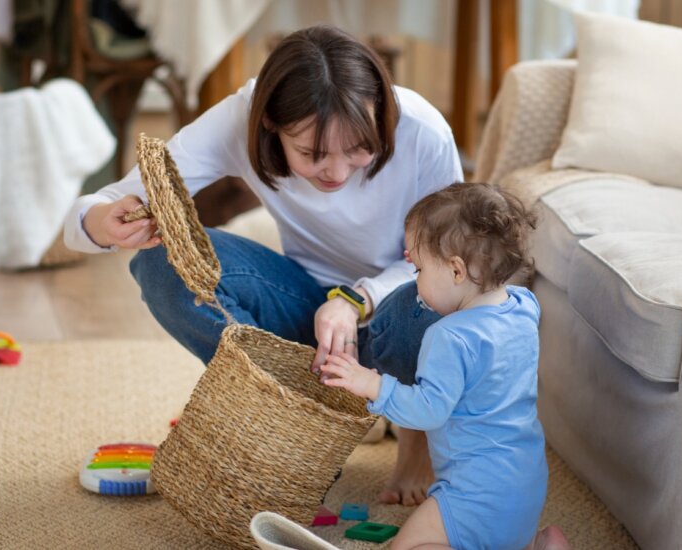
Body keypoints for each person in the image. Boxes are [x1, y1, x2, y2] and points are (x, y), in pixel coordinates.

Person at [63, 25, 462, 505]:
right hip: (303, 317)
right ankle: (300, 413)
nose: (336, 171)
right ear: (271, 122)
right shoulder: (242, 116)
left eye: (360, 147)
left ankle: (410, 437)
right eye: (312, 154)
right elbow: (106, 201)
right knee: (160, 260)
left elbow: (451, 264)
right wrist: (101, 221)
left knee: (440, 296)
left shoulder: (423, 131)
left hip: (399, 313)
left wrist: (355, 300)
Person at [319, 182, 570, 549]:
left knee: (405, 547)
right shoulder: (523, 306)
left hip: (473, 494)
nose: (415, 280)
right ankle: (536, 544)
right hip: (526, 478)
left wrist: (371, 383)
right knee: (503, 537)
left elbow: (428, 410)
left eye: (418, 269)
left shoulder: (449, 336)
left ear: (456, 271)